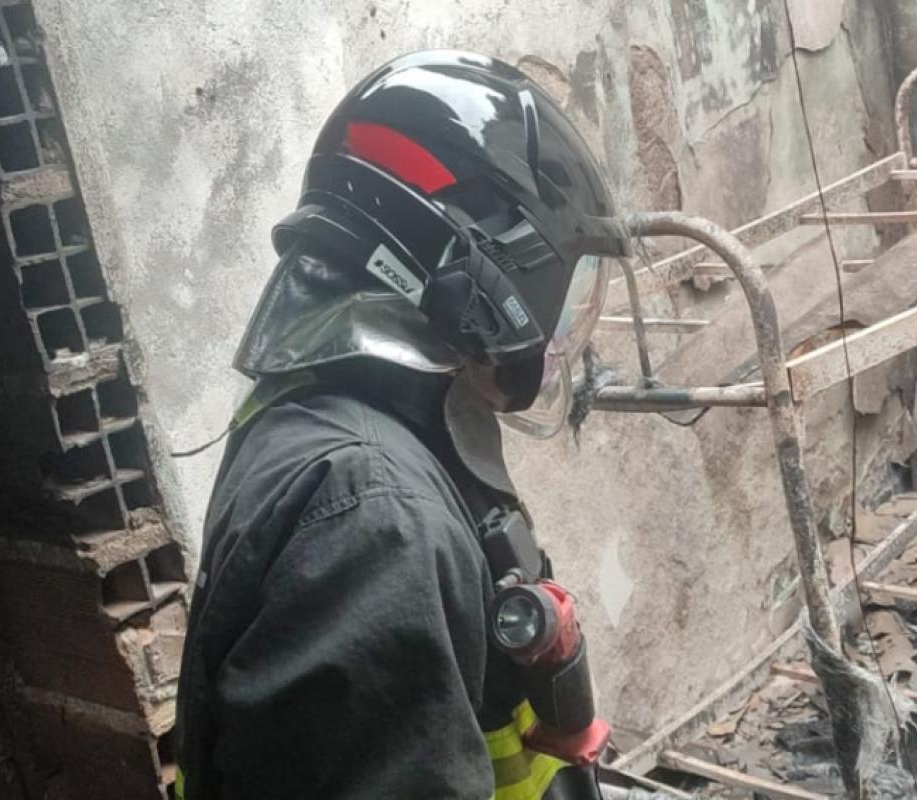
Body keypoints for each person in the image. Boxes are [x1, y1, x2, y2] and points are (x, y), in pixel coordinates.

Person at [173, 50, 630, 800]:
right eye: (566, 285)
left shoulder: (328, 429)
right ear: (480, 275)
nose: (562, 330)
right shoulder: (373, 516)